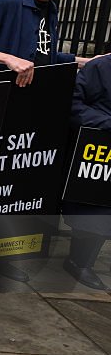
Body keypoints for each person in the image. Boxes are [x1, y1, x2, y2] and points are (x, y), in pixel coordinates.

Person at [61, 56, 111, 290]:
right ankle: (79, 261)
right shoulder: (100, 67)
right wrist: (106, 123)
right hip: (99, 149)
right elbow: (72, 105)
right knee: (94, 209)